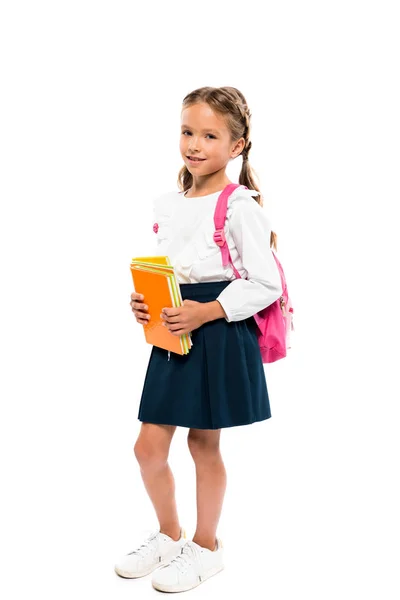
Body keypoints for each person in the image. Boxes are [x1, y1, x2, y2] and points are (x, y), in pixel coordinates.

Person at [114, 86, 283, 593]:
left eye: (210, 135)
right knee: (148, 447)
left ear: (237, 146)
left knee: (203, 443)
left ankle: (206, 547)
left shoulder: (239, 206)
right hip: (173, 330)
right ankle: (169, 535)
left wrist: (208, 310)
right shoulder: (170, 202)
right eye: (188, 131)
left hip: (217, 329)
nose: (195, 144)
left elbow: (265, 281)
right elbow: (175, 272)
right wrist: (143, 302)